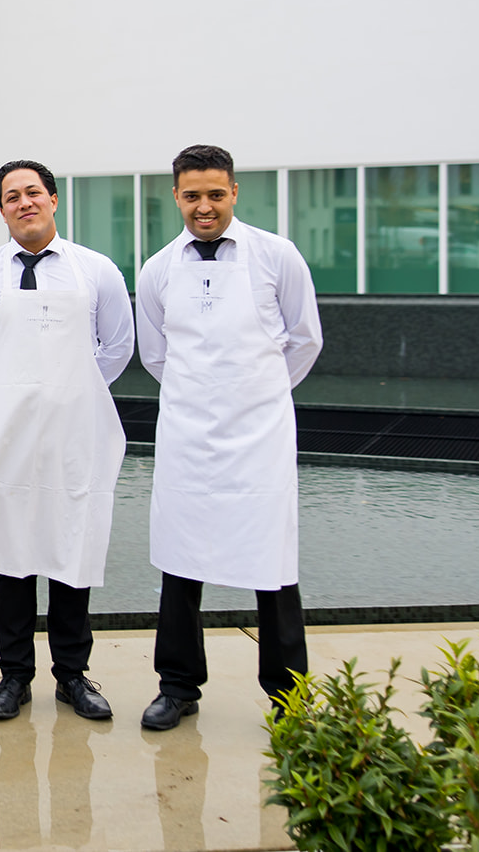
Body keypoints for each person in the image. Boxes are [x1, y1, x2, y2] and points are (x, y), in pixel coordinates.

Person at [135, 144, 323, 731]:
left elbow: (305, 340)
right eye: (192, 195)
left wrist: (255, 395)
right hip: (187, 437)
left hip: (259, 439)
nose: (205, 206)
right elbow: (156, 354)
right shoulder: (157, 269)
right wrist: (203, 396)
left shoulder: (277, 256)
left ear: (234, 192)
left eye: (216, 194)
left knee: (273, 565)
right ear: (176, 196)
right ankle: (178, 686)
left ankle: (289, 696)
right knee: (180, 562)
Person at [0, 159, 133, 722]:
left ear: (53, 199)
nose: (24, 202)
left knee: (72, 546)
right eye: (11, 196)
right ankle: (14, 676)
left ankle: (72, 675)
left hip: (75, 433)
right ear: (1, 210)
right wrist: (11, 392)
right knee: (12, 554)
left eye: (33, 192)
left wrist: (71, 391)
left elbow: (118, 346)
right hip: (10, 435)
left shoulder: (95, 270)